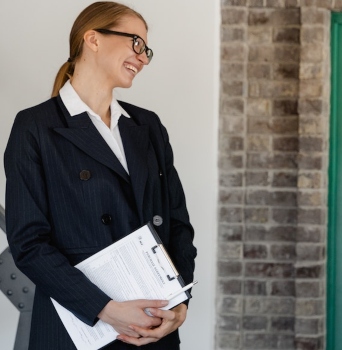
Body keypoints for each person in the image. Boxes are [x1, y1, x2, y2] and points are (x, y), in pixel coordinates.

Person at [4, 2, 197, 349]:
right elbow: (29, 243)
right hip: (77, 329)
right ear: (92, 39)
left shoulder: (147, 125)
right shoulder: (35, 127)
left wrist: (180, 303)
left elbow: (177, 224)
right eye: (135, 43)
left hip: (155, 328)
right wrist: (103, 308)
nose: (144, 58)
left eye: (147, 50)